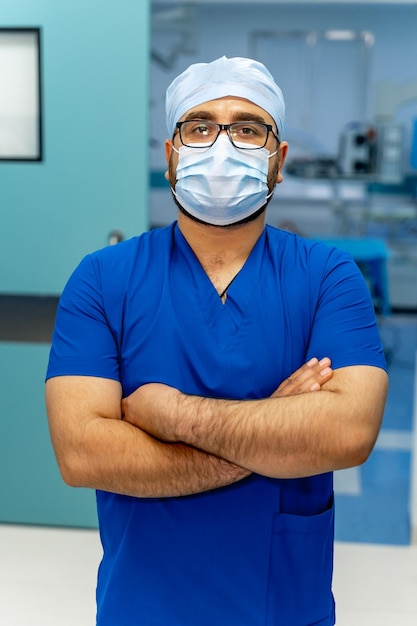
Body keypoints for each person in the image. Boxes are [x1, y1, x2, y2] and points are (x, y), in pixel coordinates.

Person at [45, 56, 388, 626]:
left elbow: (348, 433)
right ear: (171, 154)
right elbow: (82, 453)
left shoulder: (327, 275)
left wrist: (173, 414)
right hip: (143, 604)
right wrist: (274, 428)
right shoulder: (104, 278)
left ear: (278, 163)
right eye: (199, 127)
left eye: (248, 129)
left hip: (282, 604)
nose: (222, 145)